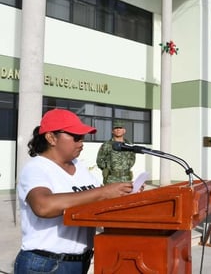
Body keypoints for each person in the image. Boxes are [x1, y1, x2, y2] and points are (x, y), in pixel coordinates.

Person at [14, 109, 133, 274]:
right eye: (76, 137)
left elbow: (98, 199)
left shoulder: (78, 165)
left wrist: (126, 192)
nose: (81, 143)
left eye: (82, 137)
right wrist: (103, 192)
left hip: (79, 262)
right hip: (46, 264)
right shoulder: (36, 168)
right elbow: (43, 206)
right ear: (51, 138)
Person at [96, 120, 136, 184]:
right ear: (112, 131)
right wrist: (107, 168)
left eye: (120, 128)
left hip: (126, 178)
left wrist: (126, 166)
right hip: (111, 179)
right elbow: (99, 161)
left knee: (127, 194)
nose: (118, 130)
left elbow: (132, 158)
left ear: (124, 131)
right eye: (116, 128)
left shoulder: (129, 145)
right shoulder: (106, 145)